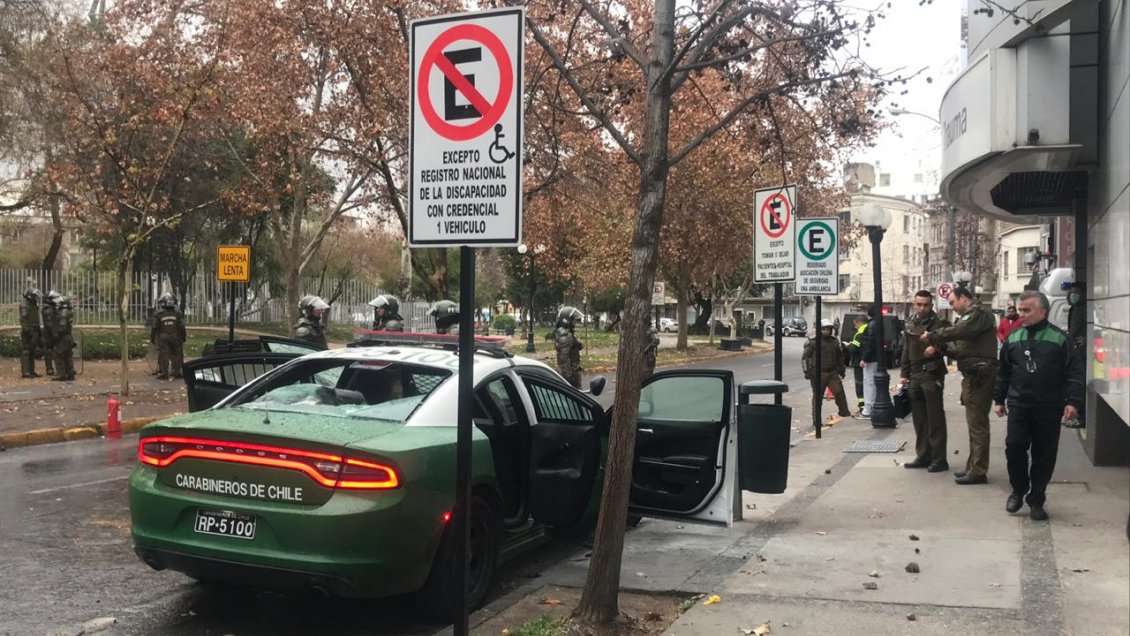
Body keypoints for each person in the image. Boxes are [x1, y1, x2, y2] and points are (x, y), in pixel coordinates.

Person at [995, 290, 1084, 520]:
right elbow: (1003, 372)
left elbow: (1074, 372)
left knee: (1044, 454)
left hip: (1048, 406)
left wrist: (1073, 401)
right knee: (1014, 447)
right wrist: (998, 399)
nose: (1021, 315)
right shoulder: (1013, 338)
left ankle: (1037, 498)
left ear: (1042, 311)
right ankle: (1018, 489)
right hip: (1019, 404)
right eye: (1020, 310)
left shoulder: (1059, 339)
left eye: (1027, 310)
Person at [921, 286, 998, 485]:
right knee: (974, 424)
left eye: (953, 302)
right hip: (973, 375)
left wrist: (933, 336)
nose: (952, 307)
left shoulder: (978, 314)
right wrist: (941, 348)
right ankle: (973, 465)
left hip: (979, 375)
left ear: (964, 298)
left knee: (978, 424)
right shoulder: (973, 318)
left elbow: (960, 330)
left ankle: (978, 470)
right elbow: (962, 351)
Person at [900, 290, 951, 472]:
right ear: (914, 304)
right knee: (919, 419)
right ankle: (923, 455)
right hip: (914, 375)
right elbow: (906, 348)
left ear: (932, 305)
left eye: (926, 305)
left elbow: (950, 345)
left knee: (935, 418)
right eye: (919, 304)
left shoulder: (939, 323)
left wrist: (936, 348)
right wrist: (904, 373)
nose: (922, 308)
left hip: (931, 375)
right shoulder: (911, 322)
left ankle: (939, 459)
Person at [803, 319, 851, 418]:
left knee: (839, 393)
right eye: (823, 329)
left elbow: (840, 357)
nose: (826, 331)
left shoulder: (834, 342)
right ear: (819, 330)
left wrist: (842, 370)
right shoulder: (813, 342)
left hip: (832, 372)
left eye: (828, 329)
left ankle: (844, 412)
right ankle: (816, 419)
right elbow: (805, 358)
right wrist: (807, 372)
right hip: (818, 373)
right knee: (818, 397)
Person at [151, 294, 186, 380]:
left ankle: (164, 373)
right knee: (178, 353)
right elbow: (182, 326)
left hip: (163, 337)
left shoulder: (158, 314)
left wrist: (152, 338)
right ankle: (177, 372)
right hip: (176, 336)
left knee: (164, 353)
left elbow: (154, 327)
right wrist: (184, 336)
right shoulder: (177, 313)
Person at [857, 306, 880, 418]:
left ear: (868, 313)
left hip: (871, 360)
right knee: (872, 383)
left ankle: (868, 409)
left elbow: (869, 343)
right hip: (875, 359)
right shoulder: (877, 324)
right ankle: (870, 407)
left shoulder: (871, 325)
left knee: (869, 383)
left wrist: (864, 358)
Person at [554, 306, 584, 388]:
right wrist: (569, 377)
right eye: (573, 320)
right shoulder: (566, 335)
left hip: (572, 371)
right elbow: (564, 359)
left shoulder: (565, 334)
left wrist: (578, 345)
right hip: (571, 374)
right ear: (567, 320)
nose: (575, 322)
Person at [19, 287, 43, 378]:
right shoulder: (25, 305)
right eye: (35, 296)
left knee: (32, 351)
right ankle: (26, 372)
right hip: (29, 331)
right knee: (26, 351)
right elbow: (24, 318)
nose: (36, 298)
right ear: (30, 296)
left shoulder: (33, 305)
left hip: (35, 330)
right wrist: (27, 330)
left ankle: (31, 370)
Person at [846, 313, 869, 414]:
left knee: (859, 384)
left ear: (860, 322)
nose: (854, 326)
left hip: (859, 362)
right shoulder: (869, 330)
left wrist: (848, 346)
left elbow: (854, 349)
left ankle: (862, 406)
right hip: (865, 361)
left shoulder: (860, 333)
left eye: (855, 324)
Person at [52, 294, 76, 381]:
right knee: (68, 355)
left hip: (63, 337)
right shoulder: (68, 312)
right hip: (68, 337)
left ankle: (61, 374)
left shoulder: (63, 313)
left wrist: (56, 335)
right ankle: (70, 373)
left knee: (58, 354)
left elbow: (62, 326)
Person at [40, 290, 60, 377]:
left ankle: (58, 368)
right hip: (49, 333)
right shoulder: (48, 309)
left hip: (52, 331)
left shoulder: (52, 308)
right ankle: (50, 369)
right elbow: (49, 324)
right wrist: (55, 334)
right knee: (49, 351)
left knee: (54, 350)